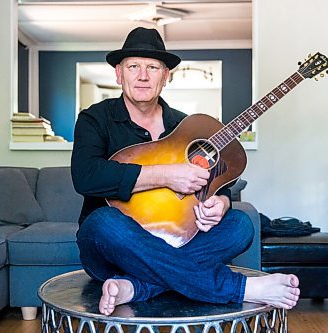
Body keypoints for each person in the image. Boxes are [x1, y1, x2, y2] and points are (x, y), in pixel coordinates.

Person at [71, 27, 300, 316]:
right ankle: (241, 288)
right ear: (119, 74)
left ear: (166, 76)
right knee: (101, 222)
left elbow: (221, 186)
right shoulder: (94, 119)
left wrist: (221, 203)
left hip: (179, 239)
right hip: (113, 247)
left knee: (241, 224)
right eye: (134, 67)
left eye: (153, 67)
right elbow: (86, 176)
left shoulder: (188, 127)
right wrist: (167, 174)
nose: (143, 75)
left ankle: (135, 288)